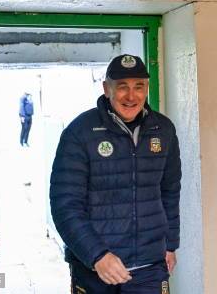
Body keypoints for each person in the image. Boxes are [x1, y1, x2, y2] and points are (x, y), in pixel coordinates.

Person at [50, 54, 181, 294]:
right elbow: (65, 205)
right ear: (106, 88)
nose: (131, 96)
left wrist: (171, 244)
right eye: (122, 87)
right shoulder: (80, 132)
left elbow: (170, 191)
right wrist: (97, 255)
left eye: (138, 87)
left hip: (150, 267)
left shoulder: (163, 130)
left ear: (147, 88)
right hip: (95, 269)